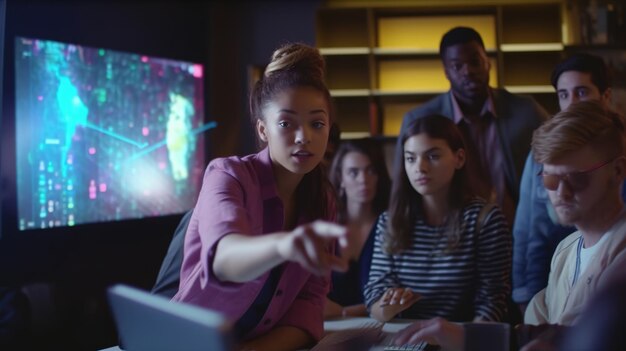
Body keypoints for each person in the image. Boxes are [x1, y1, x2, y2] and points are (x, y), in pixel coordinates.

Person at [391, 101, 626, 350]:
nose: (561, 192)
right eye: (550, 178)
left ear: (618, 171)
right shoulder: (566, 250)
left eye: (577, 179)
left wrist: (474, 337)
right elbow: (541, 327)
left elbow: (585, 338)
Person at [171, 43, 350, 351]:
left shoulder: (323, 201)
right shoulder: (228, 175)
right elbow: (225, 260)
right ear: (263, 129)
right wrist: (284, 245)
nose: (303, 136)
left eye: (317, 123)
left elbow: (309, 307)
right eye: (286, 123)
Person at [363, 115, 511, 324]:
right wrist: (390, 305)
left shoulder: (484, 219)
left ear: (459, 158)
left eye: (432, 156)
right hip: (404, 338)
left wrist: (464, 341)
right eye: (411, 158)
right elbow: (374, 300)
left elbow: (493, 301)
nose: (420, 168)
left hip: (463, 338)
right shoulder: (390, 221)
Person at [400, 26, 548, 226]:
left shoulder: (526, 112)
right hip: (449, 233)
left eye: (474, 62)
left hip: (520, 228)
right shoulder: (420, 120)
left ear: (488, 63)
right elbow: (403, 189)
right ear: (445, 72)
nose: (467, 71)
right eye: (457, 66)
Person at [512, 53, 618, 312]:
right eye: (563, 95)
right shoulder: (545, 153)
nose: (572, 104)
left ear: (605, 96)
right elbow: (528, 229)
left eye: (581, 92)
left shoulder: (615, 150)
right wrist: (527, 296)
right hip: (559, 276)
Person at [324, 138, 391, 319]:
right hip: (327, 327)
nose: (363, 180)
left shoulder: (391, 225)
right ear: (341, 179)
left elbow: (397, 293)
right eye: (354, 172)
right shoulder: (327, 227)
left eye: (371, 171)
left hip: (382, 324)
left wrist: (343, 312)